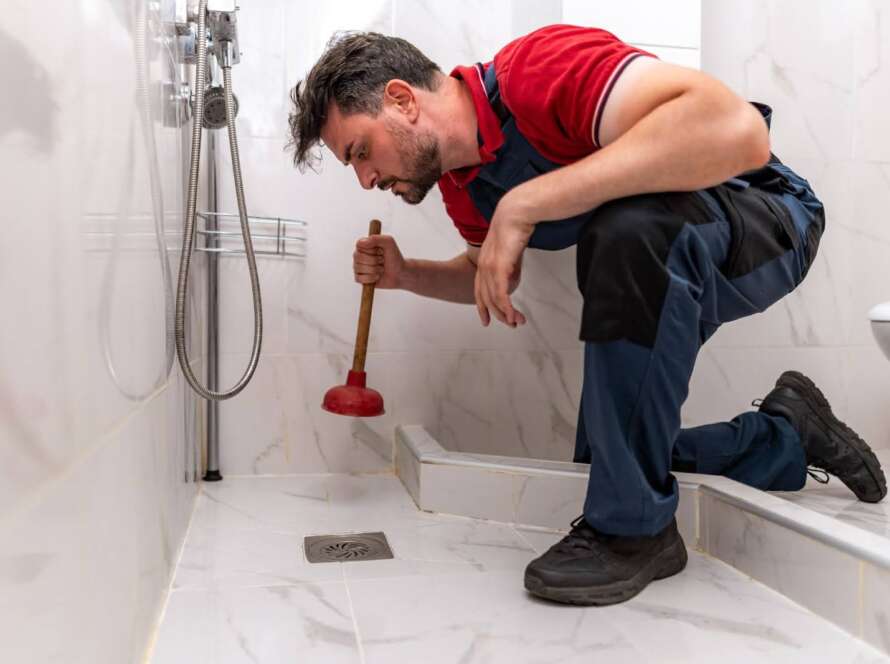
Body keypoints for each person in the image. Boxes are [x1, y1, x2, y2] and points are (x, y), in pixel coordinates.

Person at [287, 25, 887, 606]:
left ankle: (635, 534)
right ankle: (785, 435)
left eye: (360, 152)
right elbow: (488, 271)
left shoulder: (537, 71)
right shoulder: (463, 186)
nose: (366, 179)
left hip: (769, 217)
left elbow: (738, 132)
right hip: (677, 251)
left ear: (401, 100)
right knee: (610, 465)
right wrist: (405, 274)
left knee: (625, 227)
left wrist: (526, 203)